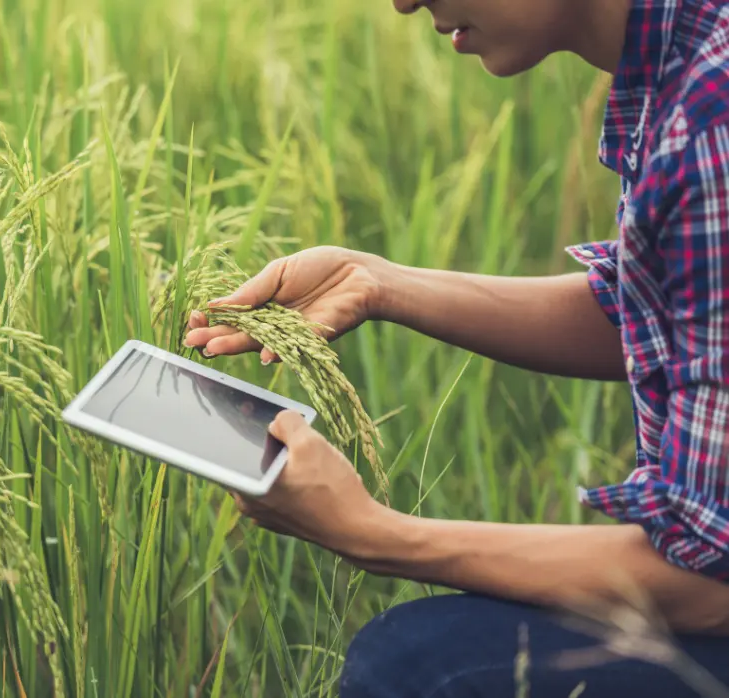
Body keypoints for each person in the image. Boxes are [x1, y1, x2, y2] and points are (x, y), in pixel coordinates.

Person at [184, 0, 729, 696]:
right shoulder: (684, 59)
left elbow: (711, 579)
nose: (404, 1)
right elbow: (670, 315)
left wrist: (371, 533)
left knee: (417, 667)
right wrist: (378, 281)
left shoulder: (711, 125)